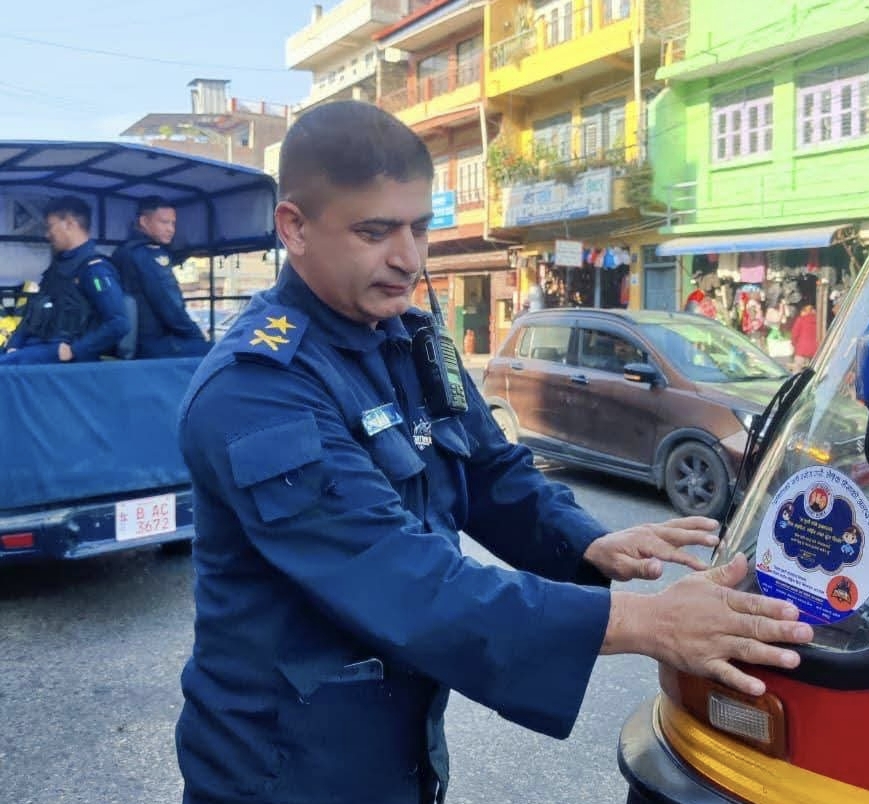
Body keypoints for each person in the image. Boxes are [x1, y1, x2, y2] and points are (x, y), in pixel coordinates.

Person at [174, 100, 813, 804]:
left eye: (419, 228)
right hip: (281, 764)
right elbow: (401, 578)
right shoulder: (257, 390)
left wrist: (586, 540)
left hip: (394, 742)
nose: (408, 258)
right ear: (294, 227)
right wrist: (648, 622)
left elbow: (485, 466)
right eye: (374, 231)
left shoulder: (410, 338)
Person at [0, 195, 129, 365]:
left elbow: (119, 323)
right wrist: (13, 344)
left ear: (69, 224)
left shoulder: (94, 269)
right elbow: (33, 313)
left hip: (62, 354)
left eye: (50, 227)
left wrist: (75, 350)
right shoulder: (55, 270)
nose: (47, 234)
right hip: (35, 347)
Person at [112, 196, 210, 358]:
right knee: (218, 354)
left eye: (173, 223)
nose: (171, 229)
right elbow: (170, 306)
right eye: (164, 222)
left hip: (132, 343)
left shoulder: (123, 252)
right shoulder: (150, 254)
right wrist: (196, 336)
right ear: (144, 221)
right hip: (154, 343)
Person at [790, 303, 819, 371]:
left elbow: (795, 334)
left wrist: (794, 344)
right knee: (812, 371)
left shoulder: (801, 320)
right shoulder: (818, 322)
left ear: (805, 311)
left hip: (801, 350)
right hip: (815, 350)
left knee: (797, 370)